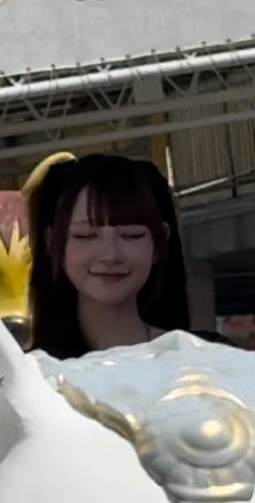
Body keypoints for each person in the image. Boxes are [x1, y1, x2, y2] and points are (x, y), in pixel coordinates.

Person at [29, 153, 190, 360]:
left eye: (131, 235)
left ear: (160, 243)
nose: (110, 255)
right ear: (52, 243)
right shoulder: (31, 374)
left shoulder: (201, 359)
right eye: (86, 236)